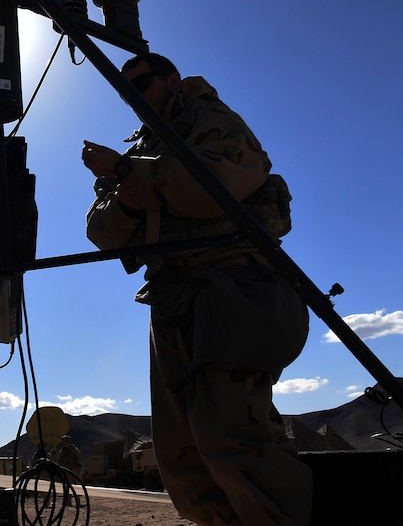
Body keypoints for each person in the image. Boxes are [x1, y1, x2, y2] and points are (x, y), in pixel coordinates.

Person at [81, 52, 312, 525]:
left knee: (233, 442)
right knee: (181, 456)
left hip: (229, 289)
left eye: (141, 83)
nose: (133, 96)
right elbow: (102, 231)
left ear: (172, 79)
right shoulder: (144, 146)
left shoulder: (212, 120)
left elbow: (210, 189)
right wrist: (132, 184)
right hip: (170, 298)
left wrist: (128, 177)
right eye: (125, 89)